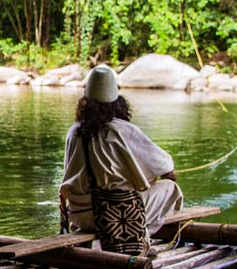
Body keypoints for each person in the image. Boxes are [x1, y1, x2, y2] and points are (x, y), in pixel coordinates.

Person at [59, 66, 183, 254]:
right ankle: (141, 237)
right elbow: (165, 167)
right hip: (114, 217)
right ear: (117, 101)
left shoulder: (73, 132)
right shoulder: (123, 130)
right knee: (170, 187)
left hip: (79, 216)